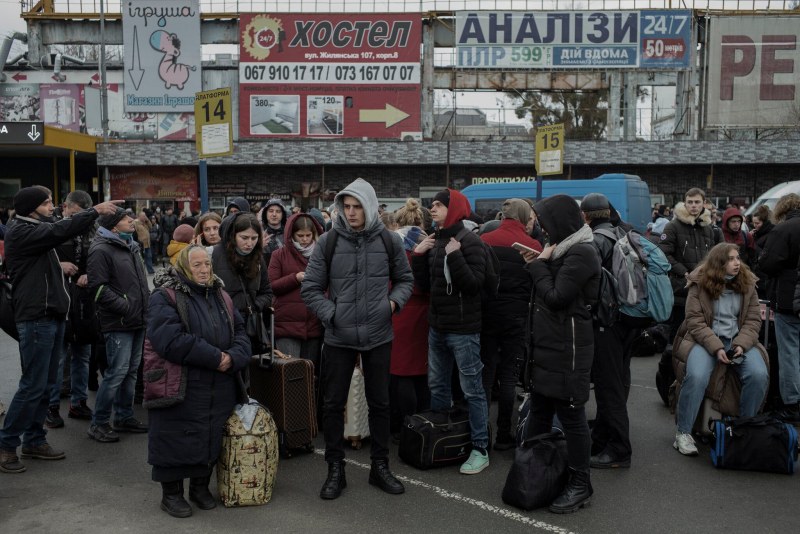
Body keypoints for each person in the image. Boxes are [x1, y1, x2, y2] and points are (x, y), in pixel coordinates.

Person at [302, 178, 413, 500]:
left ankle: (380, 467)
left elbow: (405, 279)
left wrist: (391, 304)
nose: (350, 213)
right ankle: (335, 469)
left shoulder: (390, 241)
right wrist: (332, 314)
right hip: (338, 337)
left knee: (381, 403)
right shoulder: (328, 242)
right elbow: (310, 288)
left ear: (369, 206)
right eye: (346, 207)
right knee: (333, 405)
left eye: (356, 207)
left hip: (378, 334)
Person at [0, 186, 122, 474]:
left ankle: (34, 439)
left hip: (52, 316)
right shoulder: (21, 229)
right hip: (36, 317)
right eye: (47, 203)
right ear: (32, 208)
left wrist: (59, 263)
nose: (54, 207)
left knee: (47, 383)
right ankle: (6, 445)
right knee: (33, 384)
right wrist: (95, 210)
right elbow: (58, 232)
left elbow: (52, 239)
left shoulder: (36, 227)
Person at [146, 245, 251, 518]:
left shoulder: (220, 294)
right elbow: (170, 340)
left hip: (218, 382)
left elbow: (240, 331)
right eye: (197, 266)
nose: (204, 270)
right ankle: (171, 494)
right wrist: (217, 357)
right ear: (183, 267)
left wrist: (233, 356)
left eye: (207, 264)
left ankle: (200, 487)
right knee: (175, 435)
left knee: (210, 432)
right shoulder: (165, 296)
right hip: (182, 381)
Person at [519, 194, 599, 514]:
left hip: (569, 351)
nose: (541, 228)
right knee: (539, 409)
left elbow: (555, 296)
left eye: (545, 222)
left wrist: (537, 264)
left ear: (561, 222)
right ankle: (533, 468)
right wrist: (542, 260)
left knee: (571, 416)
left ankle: (581, 483)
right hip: (550, 348)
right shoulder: (562, 249)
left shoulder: (581, 252)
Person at [411, 188, 491, 475]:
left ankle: (480, 448)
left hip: (464, 330)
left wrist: (455, 257)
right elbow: (424, 286)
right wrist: (419, 255)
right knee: (438, 386)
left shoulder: (470, 242)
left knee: (472, 391)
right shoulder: (436, 240)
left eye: (438, 205)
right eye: (431, 205)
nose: (431, 209)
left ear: (453, 208)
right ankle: (443, 436)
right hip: (438, 328)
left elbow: (473, 286)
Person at [672, 243, 769, 455]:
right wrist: (716, 348)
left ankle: (743, 429)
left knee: (759, 374)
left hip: (738, 341)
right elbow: (695, 321)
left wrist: (741, 345)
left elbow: (753, 321)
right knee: (696, 376)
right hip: (706, 340)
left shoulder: (747, 283)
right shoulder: (700, 283)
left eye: (738, 258)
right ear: (719, 263)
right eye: (731, 259)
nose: (737, 263)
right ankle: (683, 433)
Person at [580, 193, 641, 469]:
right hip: (629, 318)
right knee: (616, 380)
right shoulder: (623, 231)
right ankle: (604, 437)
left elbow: (585, 277)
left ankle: (619, 449)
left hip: (607, 322)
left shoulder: (597, 239)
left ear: (586, 216)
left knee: (609, 387)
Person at [479, 198, 541, 450]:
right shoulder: (533, 245)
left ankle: (481, 432)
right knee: (508, 376)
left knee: (485, 375)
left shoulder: (485, 241)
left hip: (487, 315)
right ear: (524, 215)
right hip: (517, 318)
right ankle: (504, 433)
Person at [87, 207, 151, 443]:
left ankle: (124, 416)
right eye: (126, 219)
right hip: (119, 321)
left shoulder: (130, 245)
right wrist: (126, 307)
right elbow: (99, 289)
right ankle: (99, 423)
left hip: (137, 320)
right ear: (114, 225)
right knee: (116, 373)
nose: (131, 221)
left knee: (131, 371)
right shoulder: (101, 249)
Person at [46, 191, 98, 427]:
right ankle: (52, 407)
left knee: (83, 355)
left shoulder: (91, 227)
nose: (80, 220)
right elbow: (33, 258)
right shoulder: (51, 227)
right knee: (58, 357)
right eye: (76, 214)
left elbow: (99, 257)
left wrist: (90, 273)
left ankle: (79, 403)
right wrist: (59, 265)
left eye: (84, 215)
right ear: (65, 207)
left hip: (84, 299)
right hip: (58, 298)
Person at [389, 199, 432, 439]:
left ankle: (403, 426)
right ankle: (423, 423)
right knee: (422, 373)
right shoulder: (430, 244)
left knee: (401, 372)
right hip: (425, 313)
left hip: (400, 311)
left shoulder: (393, 247)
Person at [758, 193, 800, 423]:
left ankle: (792, 404)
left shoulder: (784, 230)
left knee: (790, 353)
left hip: (789, 300)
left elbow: (767, 263)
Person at [659, 188, 722, 338]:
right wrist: (684, 272)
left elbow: (714, 256)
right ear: (685, 203)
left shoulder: (708, 229)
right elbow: (663, 254)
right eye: (690, 202)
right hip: (681, 289)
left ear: (704, 204)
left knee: (701, 333)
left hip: (704, 288)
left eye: (697, 202)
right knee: (678, 334)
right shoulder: (672, 226)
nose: (693, 205)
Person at [267, 213, 324, 366]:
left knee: (310, 373)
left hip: (313, 323)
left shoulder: (320, 254)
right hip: (287, 325)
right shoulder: (279, 255)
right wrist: (295, 278)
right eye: (300, 235)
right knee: (290, 374)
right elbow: (272, 286)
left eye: (308, 235)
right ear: (291, 235)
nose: (305, 239)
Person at [212, 212, 272, 354]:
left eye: (254, 238)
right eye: (244, 238)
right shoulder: (214, 255)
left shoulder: (258, 259)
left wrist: (254, 306)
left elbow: (267, 292)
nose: (249, 243)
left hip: (249, 325)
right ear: (233, 236)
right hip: (221, 324)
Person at [750, 205, 774, 299]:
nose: (755, 226)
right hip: (758, 275)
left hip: (764, 276)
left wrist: (752, 242)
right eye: (754, 223)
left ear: (764, 222)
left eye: (757, 223)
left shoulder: (771, 233)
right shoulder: (757, 234)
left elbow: (764, 253)